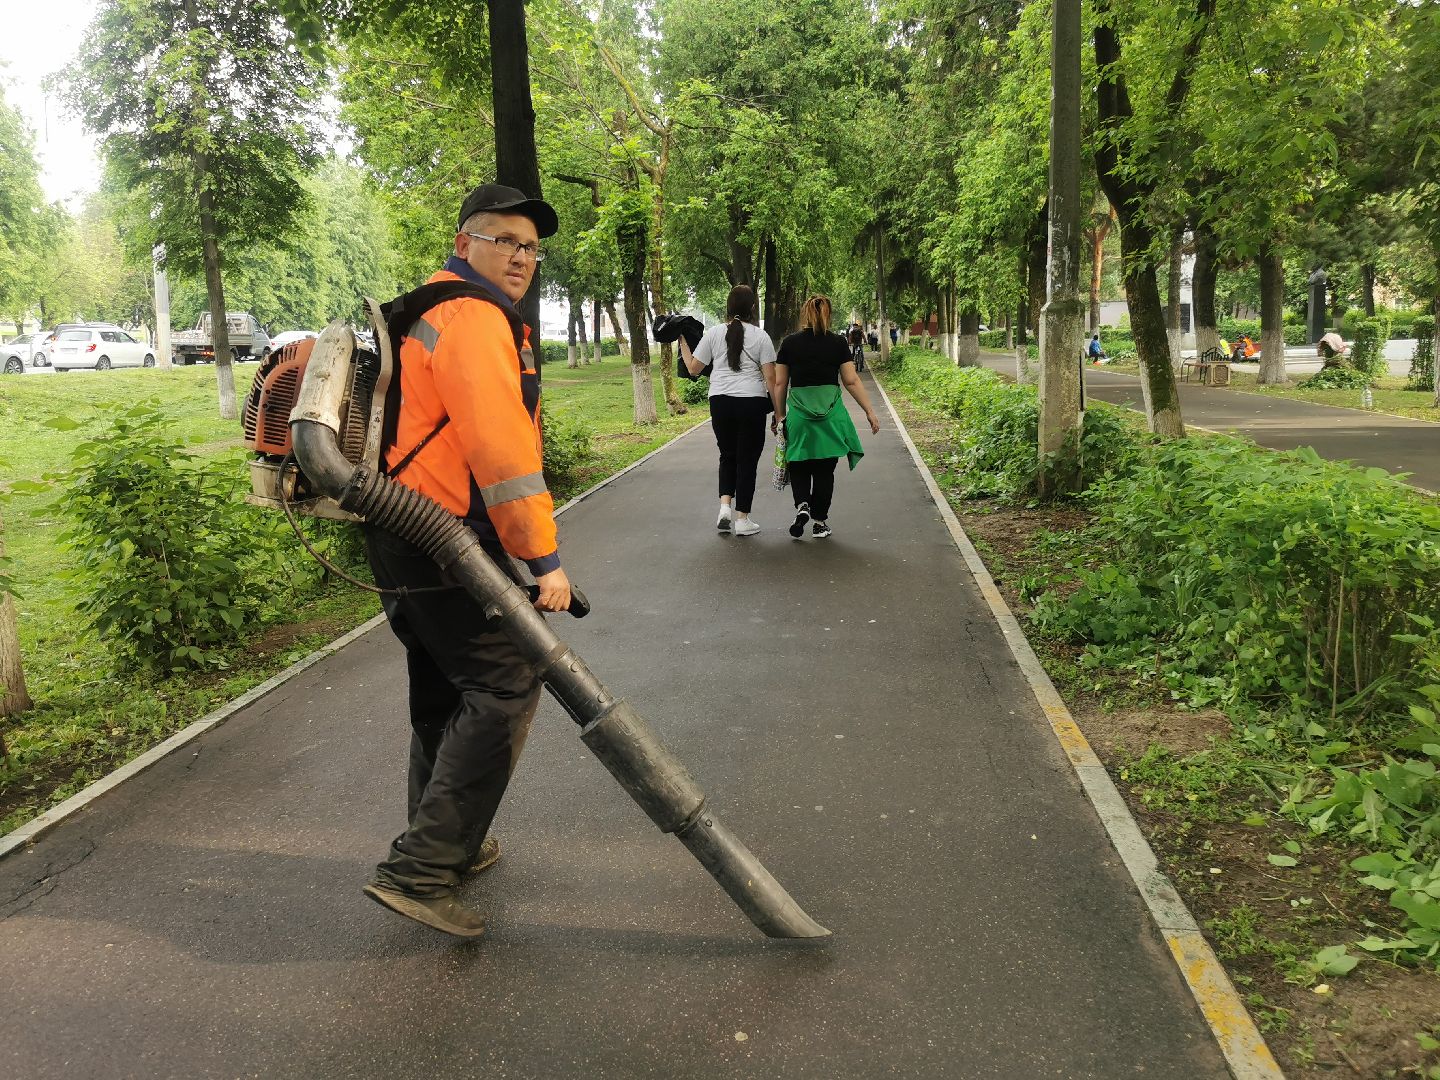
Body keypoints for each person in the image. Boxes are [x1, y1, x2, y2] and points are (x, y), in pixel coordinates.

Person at [360, 182, 571, 938]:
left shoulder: (428, 307)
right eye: (504, 241)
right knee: (507, 681)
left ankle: (450, 840)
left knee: (445, 690)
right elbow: (501, 451)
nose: (521, 258)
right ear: (464, 244)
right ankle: (421, 870)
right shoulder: (474, 317)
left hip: (399, 526)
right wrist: (543, 560)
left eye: (531, 248)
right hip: (441, 531)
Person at [772, 295, 880, 540]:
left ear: (805, 314)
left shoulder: (789, 343)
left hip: (799, 417)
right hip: (830, 417)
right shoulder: (837, 343)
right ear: (828, 315)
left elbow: (780, 383)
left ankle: (802, 505)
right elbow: (851, 381)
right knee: (824, 471)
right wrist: (869, 411)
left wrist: (779, 416)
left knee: (798, 462)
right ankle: (819, 522)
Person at [679, 284, 777, 535]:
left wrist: (682, 340)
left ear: (728, 307)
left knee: (727, 454)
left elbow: (693, 368)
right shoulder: (761, 337)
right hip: (751, 402)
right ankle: (742, 519)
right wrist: (779, 414)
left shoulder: (713, 334)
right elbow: (771, 379)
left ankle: (724, 507)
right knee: (748, 459)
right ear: (752, 308)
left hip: (720, 401)